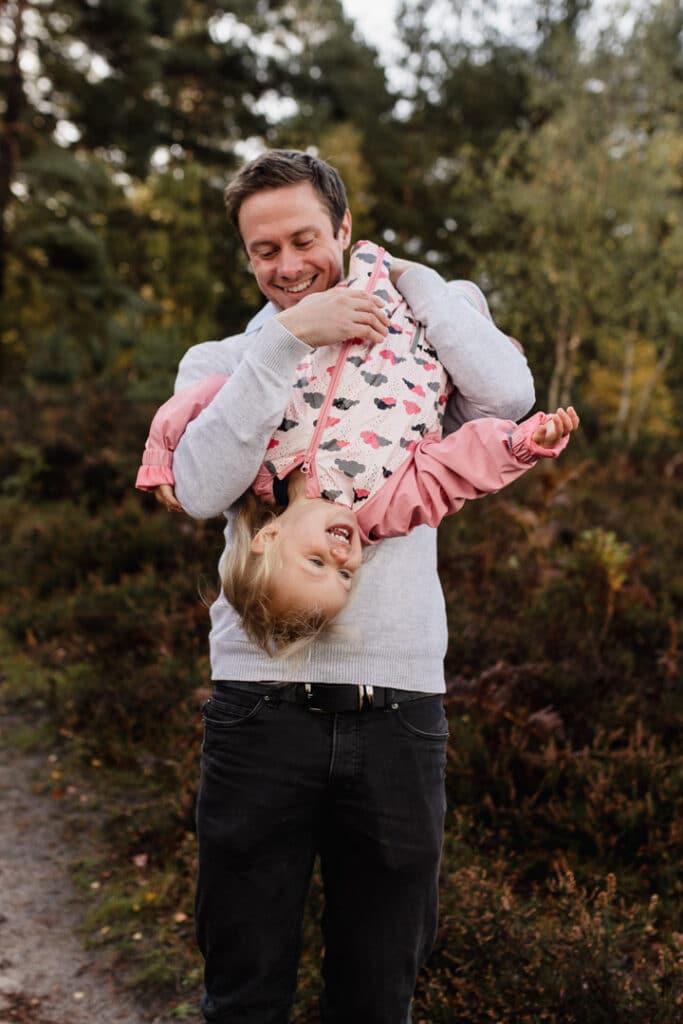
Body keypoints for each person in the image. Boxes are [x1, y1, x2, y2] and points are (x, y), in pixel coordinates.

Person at [163, 150, 537, 1023]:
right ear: (245, 259)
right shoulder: (221, 356)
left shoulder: (416, 351)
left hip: (400, 706)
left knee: (377, 995)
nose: (287, 265)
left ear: (343, 231)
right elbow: (202, 489)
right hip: (258, 708)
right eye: (263, 252)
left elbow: (509, 397)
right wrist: (288, 339)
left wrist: (414, 280)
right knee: (244, 990)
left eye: (303, 239)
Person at [137, 240, 578, 655]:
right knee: (469, 306)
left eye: (316, 562)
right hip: (422, 330)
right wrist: (520, 446)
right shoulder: (381, 507)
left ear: (268, 536)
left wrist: (161, 451)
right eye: (345, 575)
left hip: (357, 293)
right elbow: (451, 476)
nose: (341, 558)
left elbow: (210, 395)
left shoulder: (257, 465)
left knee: (362, 266)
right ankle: (482, 320)